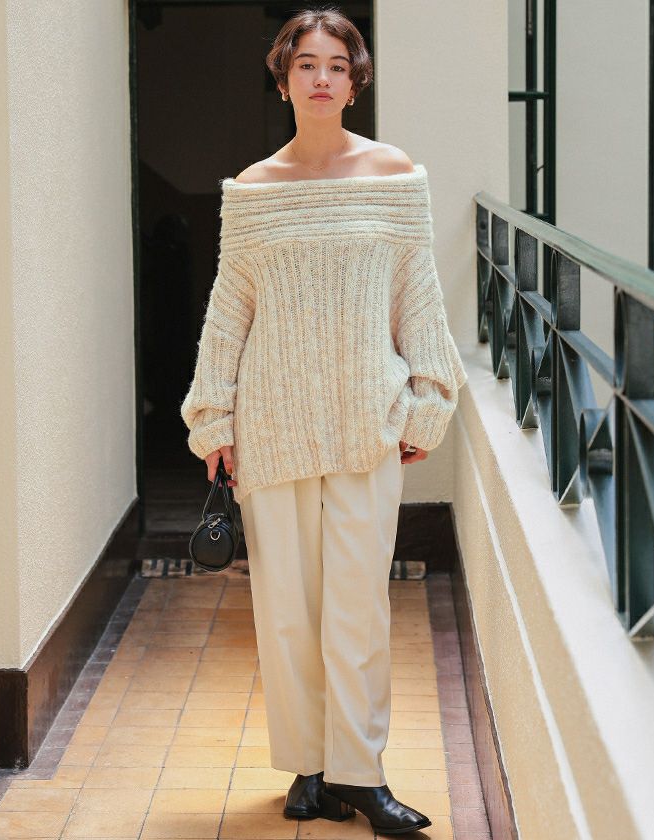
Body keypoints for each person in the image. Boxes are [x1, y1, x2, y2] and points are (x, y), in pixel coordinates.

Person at [180, 6, 467, 835]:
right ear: (283, 80)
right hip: (272, 425)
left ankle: (360, 775)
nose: (321, 78)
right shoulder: (254, 189)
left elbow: (418, 296)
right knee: (287, 610)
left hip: (366, 421)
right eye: (306, 63)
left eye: (337, 65)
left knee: (357, 609)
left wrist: (428, 401)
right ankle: (310, 766)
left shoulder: (392, 175)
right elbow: (229, 312)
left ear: (355, 81)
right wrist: (214, 419)